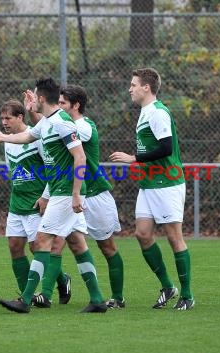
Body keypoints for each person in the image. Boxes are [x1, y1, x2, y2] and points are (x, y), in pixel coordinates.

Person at [0, 77, 107, 313]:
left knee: (41, 241)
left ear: (41, 98)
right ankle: (98, 299)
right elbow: (27, 136)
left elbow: (80, 157)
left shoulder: (61, 122)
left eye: (34, 96)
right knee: (78, 244)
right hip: (61, 190)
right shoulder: (47, 122)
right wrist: (3, 138)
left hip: (64, 191)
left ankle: (25, 300)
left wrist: (75, 194)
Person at [110, 67, 194, 311]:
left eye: (133, 84)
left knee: (174, 238)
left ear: (146, 88)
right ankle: (168, 286)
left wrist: (133, 158)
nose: (130, 88)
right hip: (149, 183)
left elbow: (166, 148)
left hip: (167, 183)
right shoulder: (146, 111)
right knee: (143, 234)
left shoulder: (157, 113)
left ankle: (187, 295)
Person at [57, 84, 125, 309]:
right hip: (70, 194)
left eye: (63, 103)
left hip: (95, 195)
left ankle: (117, 297)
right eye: (56, 102)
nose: (59, 107)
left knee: (107, 247)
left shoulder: (83, 127)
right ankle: (46, 293)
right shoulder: (62, 124)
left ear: (76, 105)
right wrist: (35, 109)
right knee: (57, 242)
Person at [2, 98, 73, 307]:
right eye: (2, 118)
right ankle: (26, 294)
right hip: (17, 203)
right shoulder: (7, 141)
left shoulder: (37, 136)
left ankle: (62, 279)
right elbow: (12, 171)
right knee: (15, 247)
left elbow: (52, 167)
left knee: (37, 248)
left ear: (20, 117)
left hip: (36, 203)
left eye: (8, 118)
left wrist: (45, 196)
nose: (4, 122)